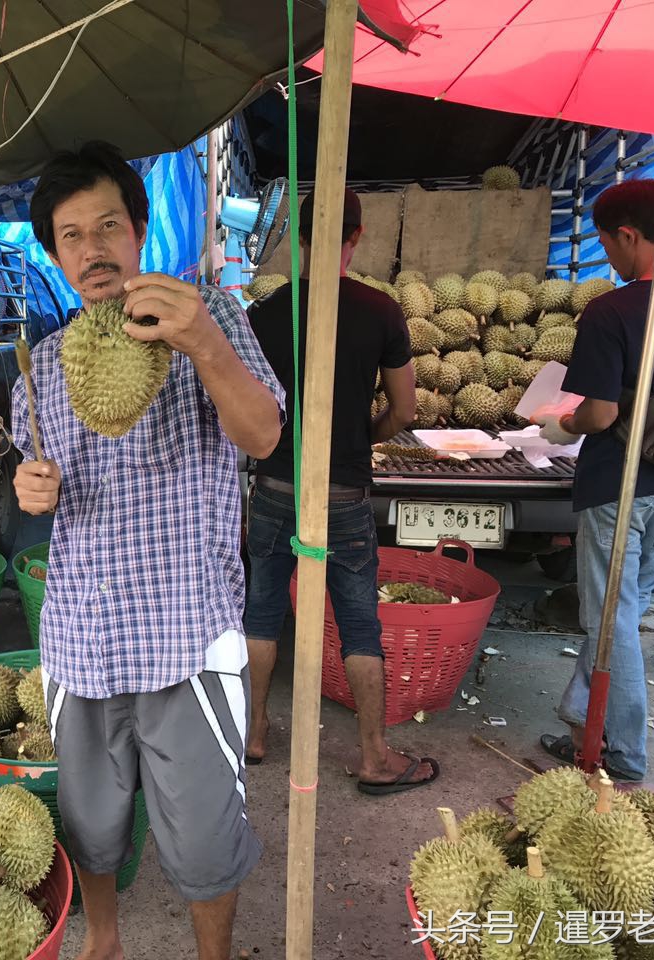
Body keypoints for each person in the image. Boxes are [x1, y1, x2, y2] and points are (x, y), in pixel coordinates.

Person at [12, 141, 284, 960]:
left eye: (106, 227)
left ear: (138, 230)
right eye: (70, 236)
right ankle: (104, 939)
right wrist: (35, 490)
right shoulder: (46, 362)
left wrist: (201, 343)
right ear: (55, 253)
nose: (91, 249)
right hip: (80, 638)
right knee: (91, 824)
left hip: (183, 634)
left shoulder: (208, 316)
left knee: (203, 833)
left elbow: (264, 435)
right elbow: (39, 476)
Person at [243, 188, 439, 795]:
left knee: (262, 610)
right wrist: (365, 432)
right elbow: (404, 409)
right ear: (355, 237)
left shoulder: (264, 313)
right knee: (359, 622)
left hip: (275, 484)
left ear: (299, 239)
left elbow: (245, 411)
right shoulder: (382, 312)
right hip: (346, 492)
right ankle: (375, 754)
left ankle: (253, 731)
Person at [534, 178, 654, 782]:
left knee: (609, 619)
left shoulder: (611, 311)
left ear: (631, 236)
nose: (607, 258)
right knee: (625, 610)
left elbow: (601, 414)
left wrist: (561, 424)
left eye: (607, 245)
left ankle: (624, 753)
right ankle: (579, 715)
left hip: (617, 485)